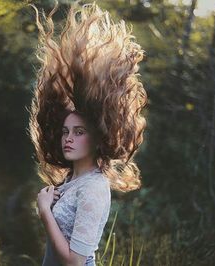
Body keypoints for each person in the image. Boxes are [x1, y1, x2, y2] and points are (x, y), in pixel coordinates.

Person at [28, 1, 148, 265]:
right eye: (65, 131)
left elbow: (75, 261)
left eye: (79, 132)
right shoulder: (72, 180)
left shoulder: (94, 188)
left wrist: (45, 211)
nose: (68, 138)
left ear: (97, 138)